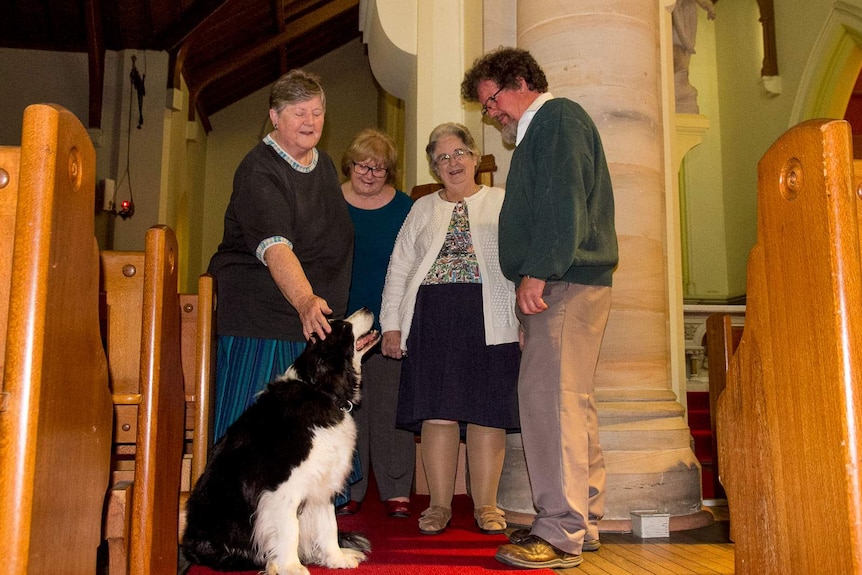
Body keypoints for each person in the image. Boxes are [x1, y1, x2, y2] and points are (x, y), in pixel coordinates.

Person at [462, 47, 618, 569]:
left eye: (492, 101)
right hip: (565, 282)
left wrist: (540, 271)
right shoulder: (544, 129)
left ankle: (558, 531)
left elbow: (562, 203)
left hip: (563, 279)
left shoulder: (555, 119)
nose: (492, 114)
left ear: (521, 81)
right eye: (486, 108)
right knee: (570, 402)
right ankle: (583, 520)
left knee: (549, 403)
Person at [380, 122, 520, 536]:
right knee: (436, 413)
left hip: (490, 318)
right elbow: (400, 267)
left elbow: (520, 263)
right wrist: (391, 324)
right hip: (432, 317)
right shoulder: (422, 208)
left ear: (475, 157)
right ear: (434, 167)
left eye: (459, 152)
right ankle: (439, 505)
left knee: (487, 413)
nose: (452, 162)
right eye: (442, 157)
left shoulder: (501, 201)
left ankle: (487, 506)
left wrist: (524, 319)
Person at [207, 69, 354, 442]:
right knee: (254, 439)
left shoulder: (323, 165)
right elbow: (276, 247)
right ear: (275, 116)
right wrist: (305, 300)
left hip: (308, 323)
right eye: (299, 112)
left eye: (317, 112)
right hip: (260, 323)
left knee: (300, 440)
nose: (311, 121)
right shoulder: (259, 169)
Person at [336, 128, 416, 518]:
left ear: (390, 171)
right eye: (361, 166)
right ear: (348, 164)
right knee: (346, 407)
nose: (368, 174)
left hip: (388, 319)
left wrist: (398, 321)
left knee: (388, 405)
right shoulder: (330, 201)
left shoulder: (405, 208)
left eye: (379, 168)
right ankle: (348, 485)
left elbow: (412, 266)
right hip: (339, 323)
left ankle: (397, 488)